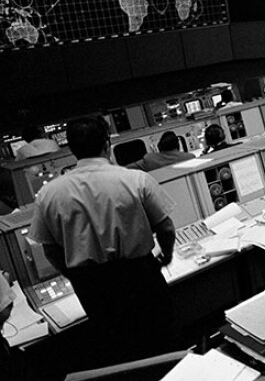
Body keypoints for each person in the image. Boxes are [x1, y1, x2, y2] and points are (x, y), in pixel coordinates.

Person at [28, 117, 176, 364]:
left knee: (117, 351)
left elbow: (49, 249)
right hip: (141, 276)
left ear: (71, 149)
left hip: (93, 288)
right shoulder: (136, 179)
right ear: (107, 144)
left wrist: (75, 275)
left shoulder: (48, 194)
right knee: (160, 342)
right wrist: (166, 256)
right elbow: (166, 228)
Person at [127, 131, 195, 172]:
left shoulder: (150, 160)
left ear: (159, 146)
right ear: (178, 145)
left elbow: (126, 169)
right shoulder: (189, 158)